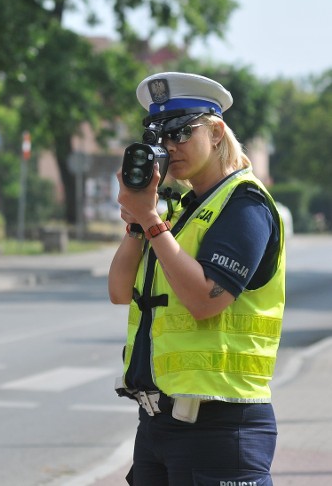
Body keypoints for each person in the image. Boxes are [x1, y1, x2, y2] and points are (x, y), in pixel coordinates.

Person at [107, 71, 286, 486]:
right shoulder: (182, 210)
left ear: (218, 132)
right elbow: (119, 291)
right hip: (157, 424)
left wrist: (151, 221)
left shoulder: (246, 204)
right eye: (160, 137)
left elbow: (206, 300)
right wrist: (138, 221)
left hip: (221, 426)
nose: (170, 147)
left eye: (182, 133)